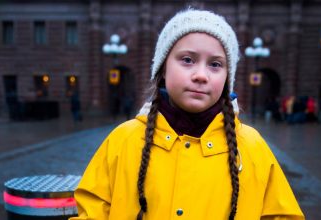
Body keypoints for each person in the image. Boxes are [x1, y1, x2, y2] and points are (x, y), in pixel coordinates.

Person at [71, 9, 304, 220]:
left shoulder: (252, 148)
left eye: (215, 64)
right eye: (187, 60)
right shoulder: (124, 141)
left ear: (227, 78)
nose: (201, 75)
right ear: (163, 68)